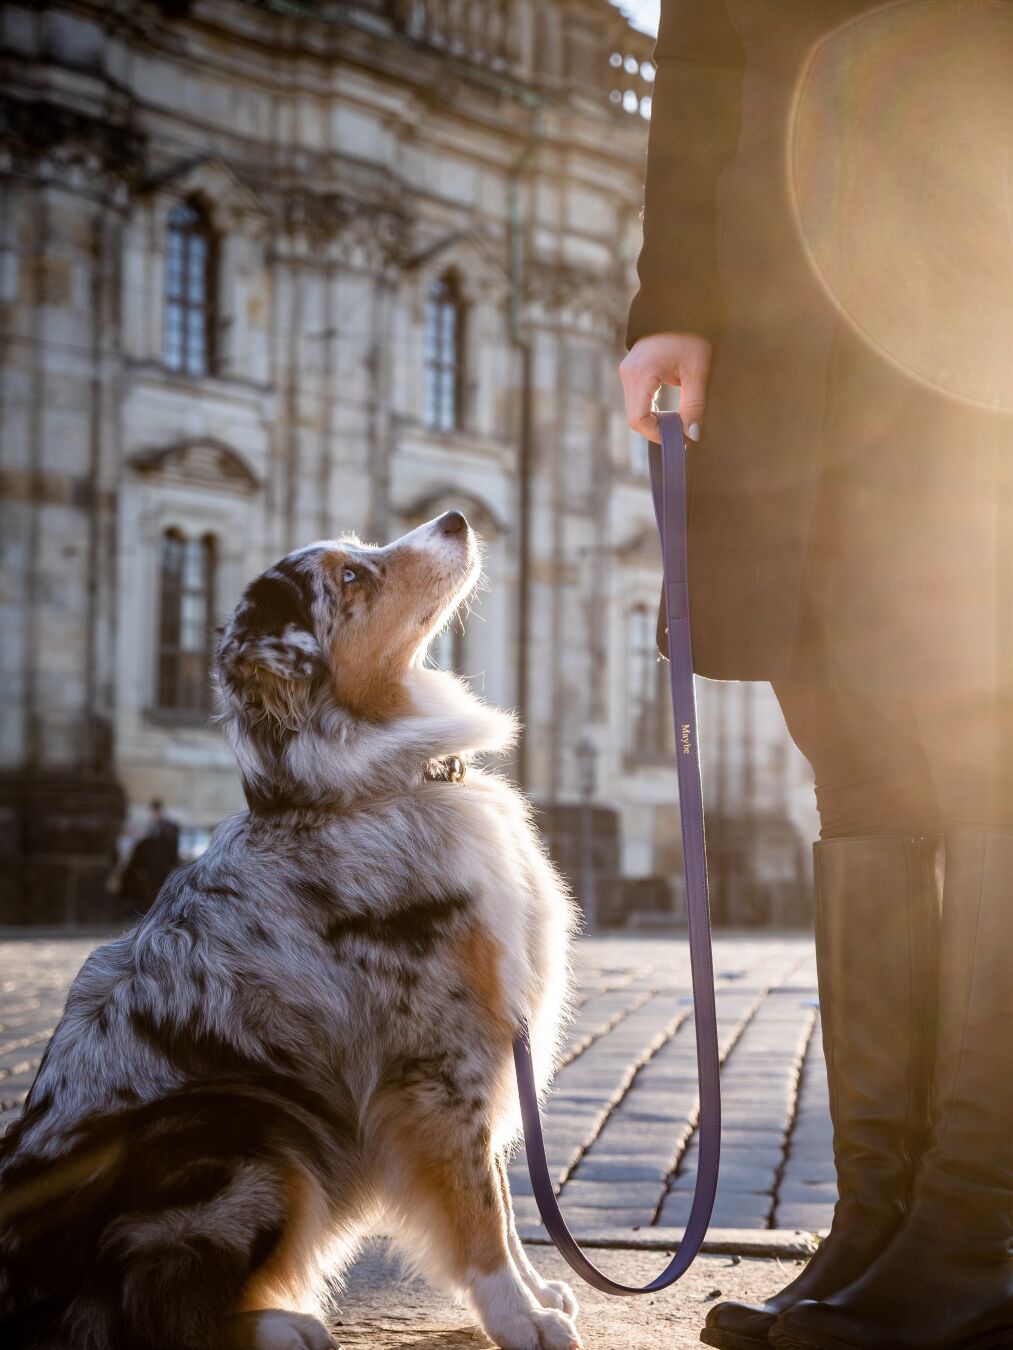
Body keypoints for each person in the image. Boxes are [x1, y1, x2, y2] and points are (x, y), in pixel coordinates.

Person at [619, 3, 1013, 1348]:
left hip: (976, 251)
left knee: (984, 729)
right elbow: (703, 50)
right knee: (851, 746)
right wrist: (672, 293)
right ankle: (881, 1218)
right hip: (786, 276)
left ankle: (978, 1229)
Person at [119, 799, 181, 916]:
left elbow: (172, 847)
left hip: (162, 866)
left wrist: (172, 863)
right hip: (152, 867)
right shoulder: (151, 826)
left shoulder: (168, 826)